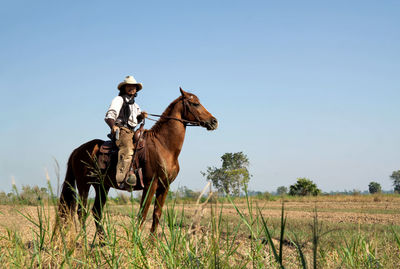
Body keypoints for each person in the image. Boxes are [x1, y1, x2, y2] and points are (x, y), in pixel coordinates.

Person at [105, 75, 147, 186]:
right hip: (122, 130)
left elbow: (135, 121)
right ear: (124, 88)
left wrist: (141, 117)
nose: (132, 88)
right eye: (129, 86)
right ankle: (122, 180)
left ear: (136, 90)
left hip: (132, 131)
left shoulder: (136, 105)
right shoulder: (118, 99)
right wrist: (113, 126)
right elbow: (110, 114)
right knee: (128, 150)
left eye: (134, 87)